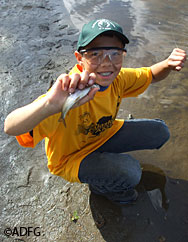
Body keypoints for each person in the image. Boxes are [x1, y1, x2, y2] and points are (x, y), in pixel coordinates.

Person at [4, 19, 186, 204]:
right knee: (130, 172)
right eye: (95, 54)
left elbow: (151, 75)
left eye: (115, 53)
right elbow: (11, 127)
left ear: (123, 54)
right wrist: (50, 105)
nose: (107, 63)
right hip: (72, 158)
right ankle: (102, 187)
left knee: (160, 131)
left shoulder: (119, 78)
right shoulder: (67, 94)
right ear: (79, 58)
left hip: (104, 135)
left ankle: (106, 163)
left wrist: (168, 64)